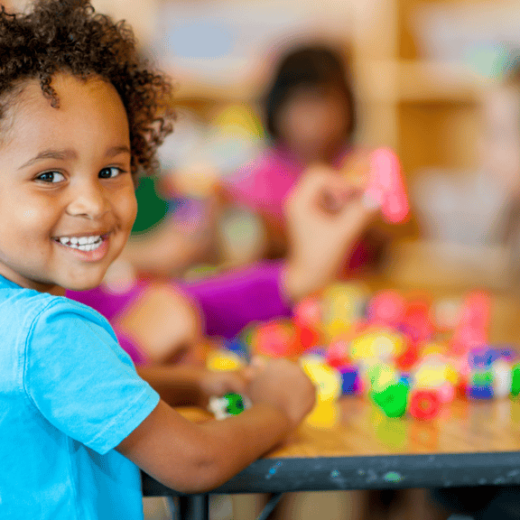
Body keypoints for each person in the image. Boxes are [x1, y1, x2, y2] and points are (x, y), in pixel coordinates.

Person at [0, 1, 319, 518]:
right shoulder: (51, 332)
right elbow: (194, 463)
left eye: (111, 170)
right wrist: (279, 409)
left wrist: (192, 384)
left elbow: (69, 387)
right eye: (49, 175)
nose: (93, 204)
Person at [221, 43, 389, 271]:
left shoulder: (367, 167)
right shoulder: (255, 178)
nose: (314, 117)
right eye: (301, 103)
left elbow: (395, 236)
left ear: (348, 106)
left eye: (325, 101)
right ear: (276, 108)